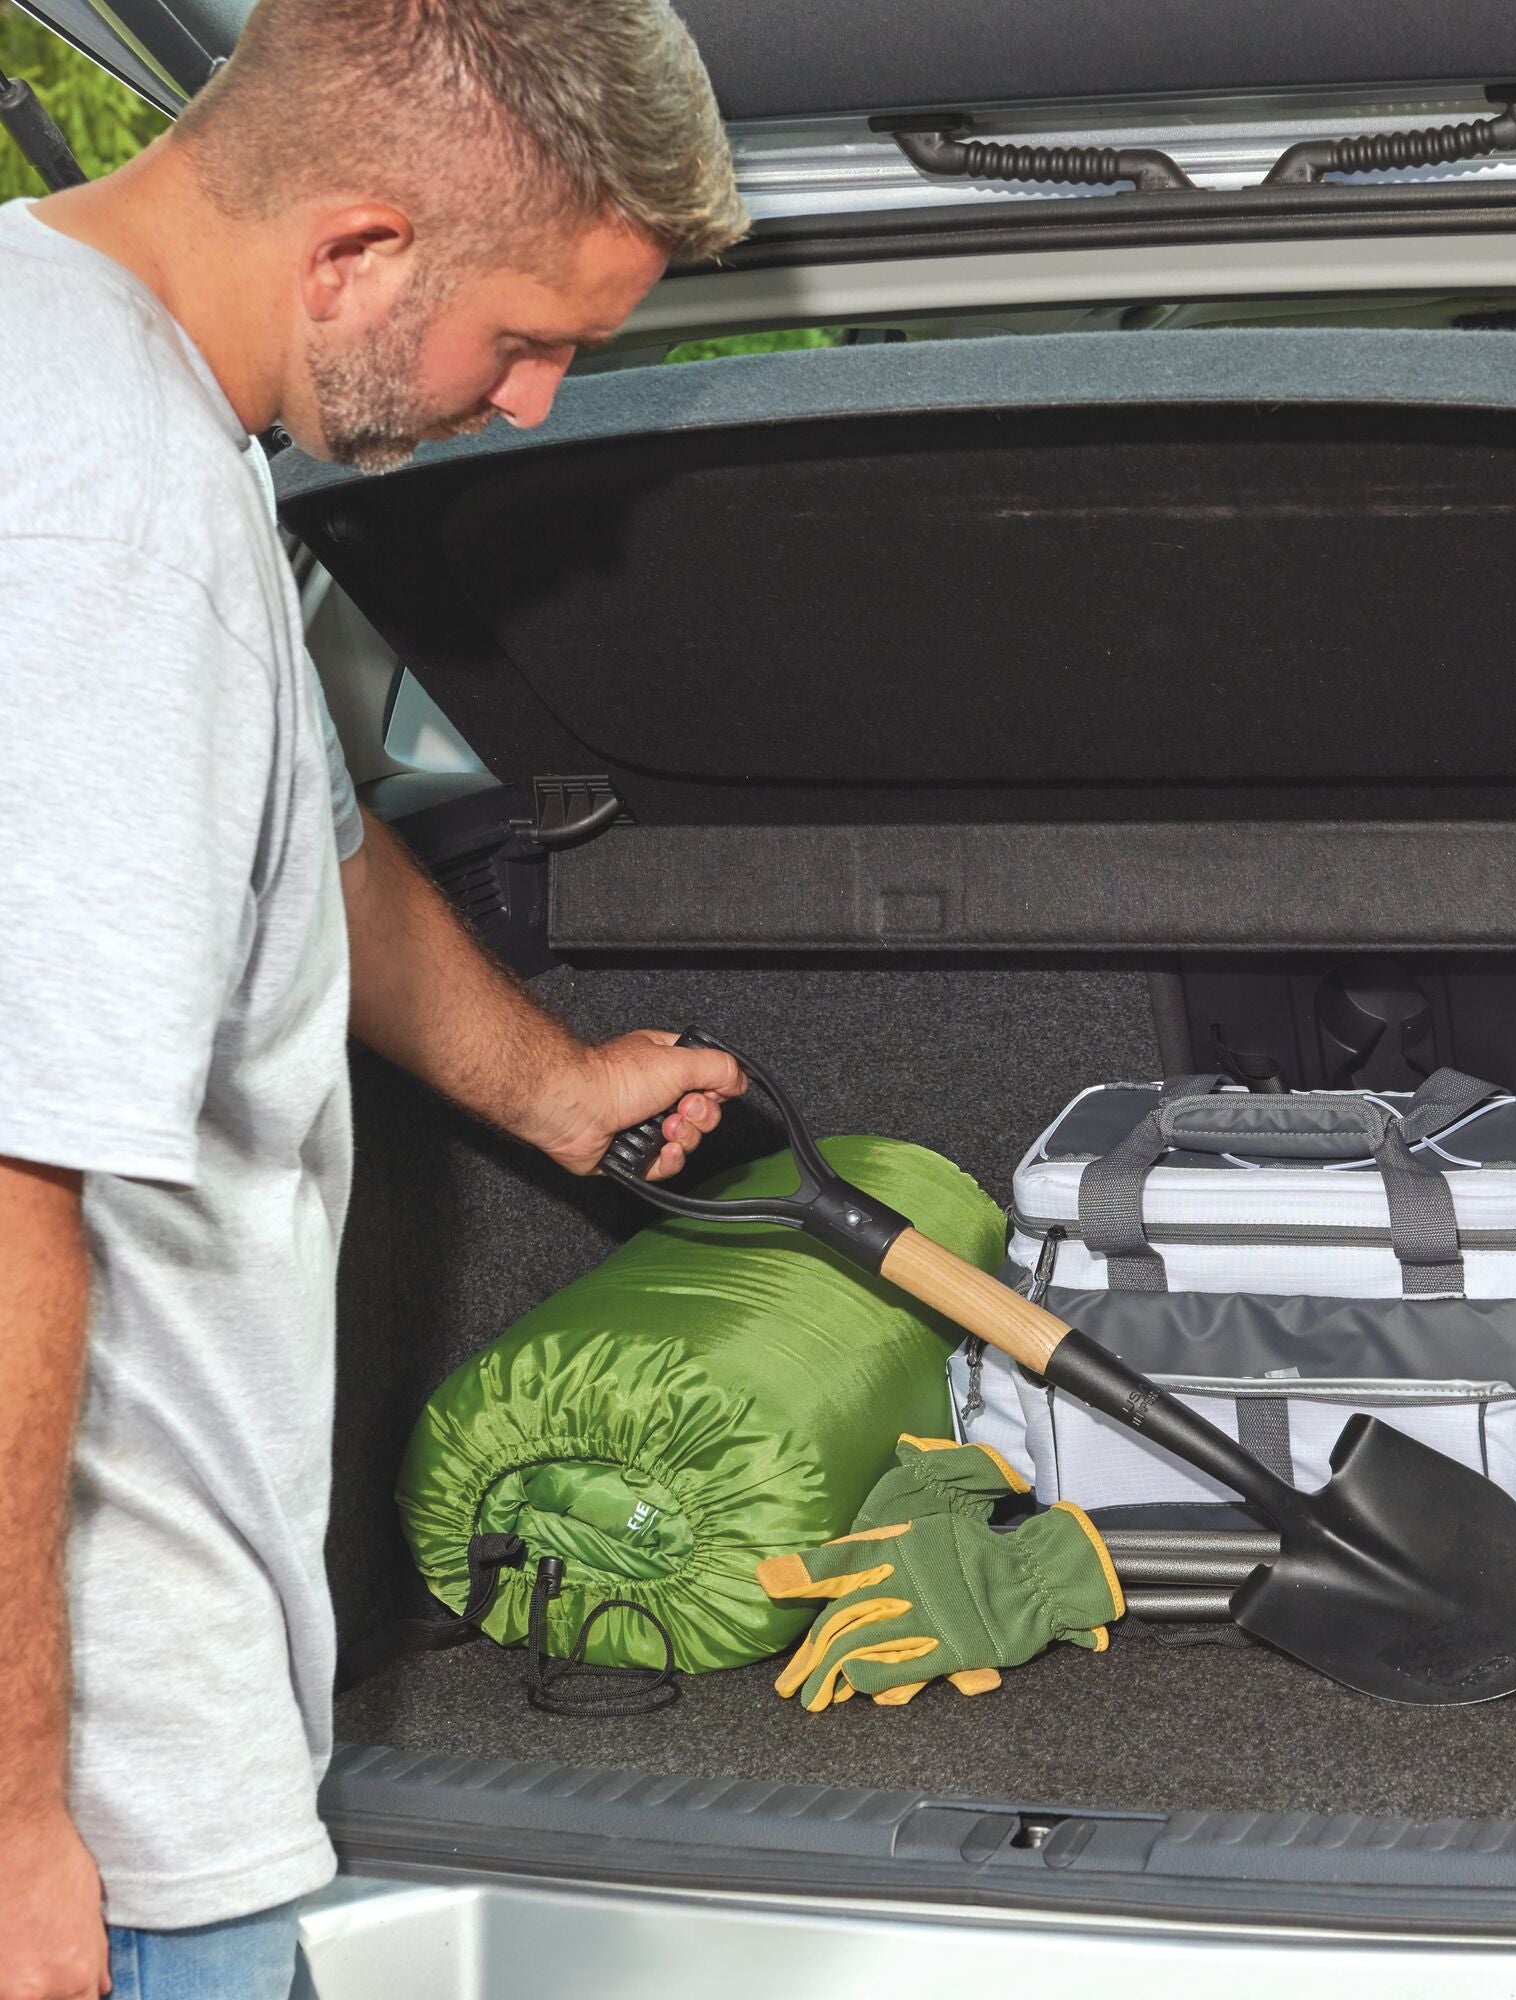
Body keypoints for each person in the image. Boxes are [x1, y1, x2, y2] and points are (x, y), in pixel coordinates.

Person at [0, 2, 749, 1993]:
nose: (527, 411)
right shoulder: (111, 529)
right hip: (115, 1811)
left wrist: (553, 1086)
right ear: (350, 251)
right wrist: (14, 1828)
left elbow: (303, 835)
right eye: (526, 340)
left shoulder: (74, 364)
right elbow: (3, 1194)